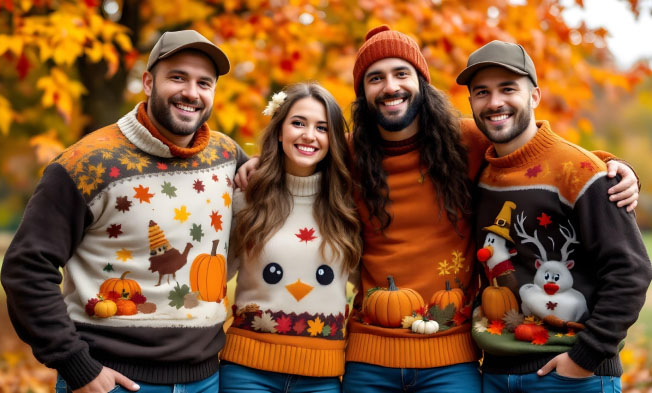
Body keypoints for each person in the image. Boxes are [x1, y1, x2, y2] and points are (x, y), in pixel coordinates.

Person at [233, 26, 639, 393]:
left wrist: (611, 167)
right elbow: (300, 158)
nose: (390, 86)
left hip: (451, 358)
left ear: (421, 83)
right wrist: (255, 165)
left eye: (401, 74)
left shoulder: (466, 140)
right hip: (368, 357)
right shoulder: (351, 154)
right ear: (363, 94)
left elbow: (533, 152)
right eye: (376, 78)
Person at [1, 30, 247, 393]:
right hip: (113, 380)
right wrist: (77, 366)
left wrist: (259, 167)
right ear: (148, 83)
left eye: (204, 83)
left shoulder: (227, 157)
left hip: (205, 380)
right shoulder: (86, 164)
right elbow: (26, 268)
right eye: (177, 77)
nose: (191, 93)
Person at [458, 40, 652, 393]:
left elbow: (631, 270)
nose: (495, 102)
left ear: (534, 96)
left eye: (508, 89)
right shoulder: (480, 173)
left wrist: (584, 359)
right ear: (470, 102)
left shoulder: (581, 172)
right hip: (497, 373)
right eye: (481, 92)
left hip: (572, 375)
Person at [219, 82, 362, 393]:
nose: (309, 135)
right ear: (279, 131)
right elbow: (214, 277)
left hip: (322, 376)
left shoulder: (347, 206)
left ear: (333, 140)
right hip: (247, 371)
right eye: (298, 123)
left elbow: (366, 279)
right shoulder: (246, 197)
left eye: (322, 128)